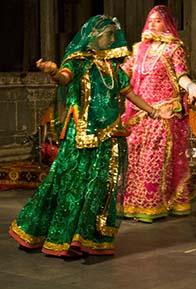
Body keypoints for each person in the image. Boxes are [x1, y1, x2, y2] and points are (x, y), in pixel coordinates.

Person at [9, 15, 167, 257]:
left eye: (114, 35)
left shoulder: (113, 67)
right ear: (94, 36)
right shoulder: (78, 61)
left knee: (100, 185)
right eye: (109, 35)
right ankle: (55, 237)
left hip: (110, 132)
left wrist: (154, 111)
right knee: (72, 184)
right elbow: (63, 78)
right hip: (82, 134)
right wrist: (52, 72)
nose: (113, 39)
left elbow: (130, 94)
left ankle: (83, 237)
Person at [121, 5, 196, 223]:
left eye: (158, 20)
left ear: (167, 23)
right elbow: (122, 75)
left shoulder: (174, 49)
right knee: (135, 158)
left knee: (154, 159)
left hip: (164, 111)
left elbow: (181, 76)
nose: (153, 24)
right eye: (151, 20)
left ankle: (153, 204)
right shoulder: (137, 49)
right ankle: (133, 203)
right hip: (139, 112)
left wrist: (192, 86)